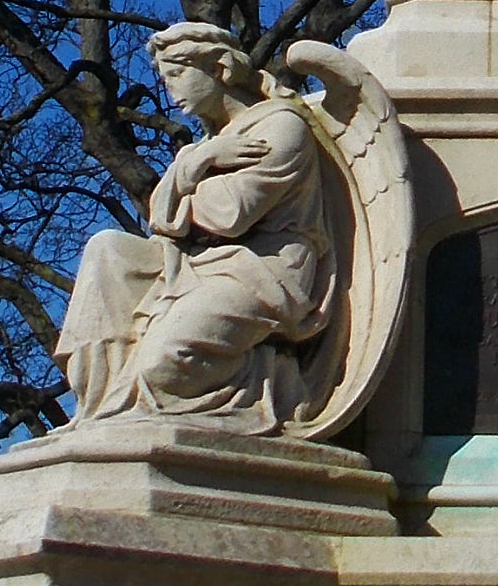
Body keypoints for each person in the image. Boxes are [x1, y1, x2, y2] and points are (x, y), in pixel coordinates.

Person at [55, 23, 336, 426]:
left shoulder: (280, 126)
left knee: (161, 368)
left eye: (178, 74)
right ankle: (97, 405)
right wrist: (198, 162)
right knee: (107, 248)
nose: (171, 90)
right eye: (165, 78)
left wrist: (183, 192)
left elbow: (231, 214)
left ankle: (275, 377)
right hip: (197, 261)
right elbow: (160, 216)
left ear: (220, 68)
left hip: (261, 272)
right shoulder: (207, 144)